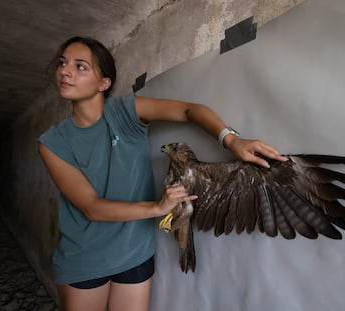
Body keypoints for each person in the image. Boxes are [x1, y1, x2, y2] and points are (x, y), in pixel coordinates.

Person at [37, 36, 287, 311]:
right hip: (84, 257)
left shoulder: (124, 112)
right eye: (62, 63)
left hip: (134, 254)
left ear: (103, 83)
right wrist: (157, 207)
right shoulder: (53, 143)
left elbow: (189, 110)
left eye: (80, 66)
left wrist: (231, 140)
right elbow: (92, 208)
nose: (65, 71)